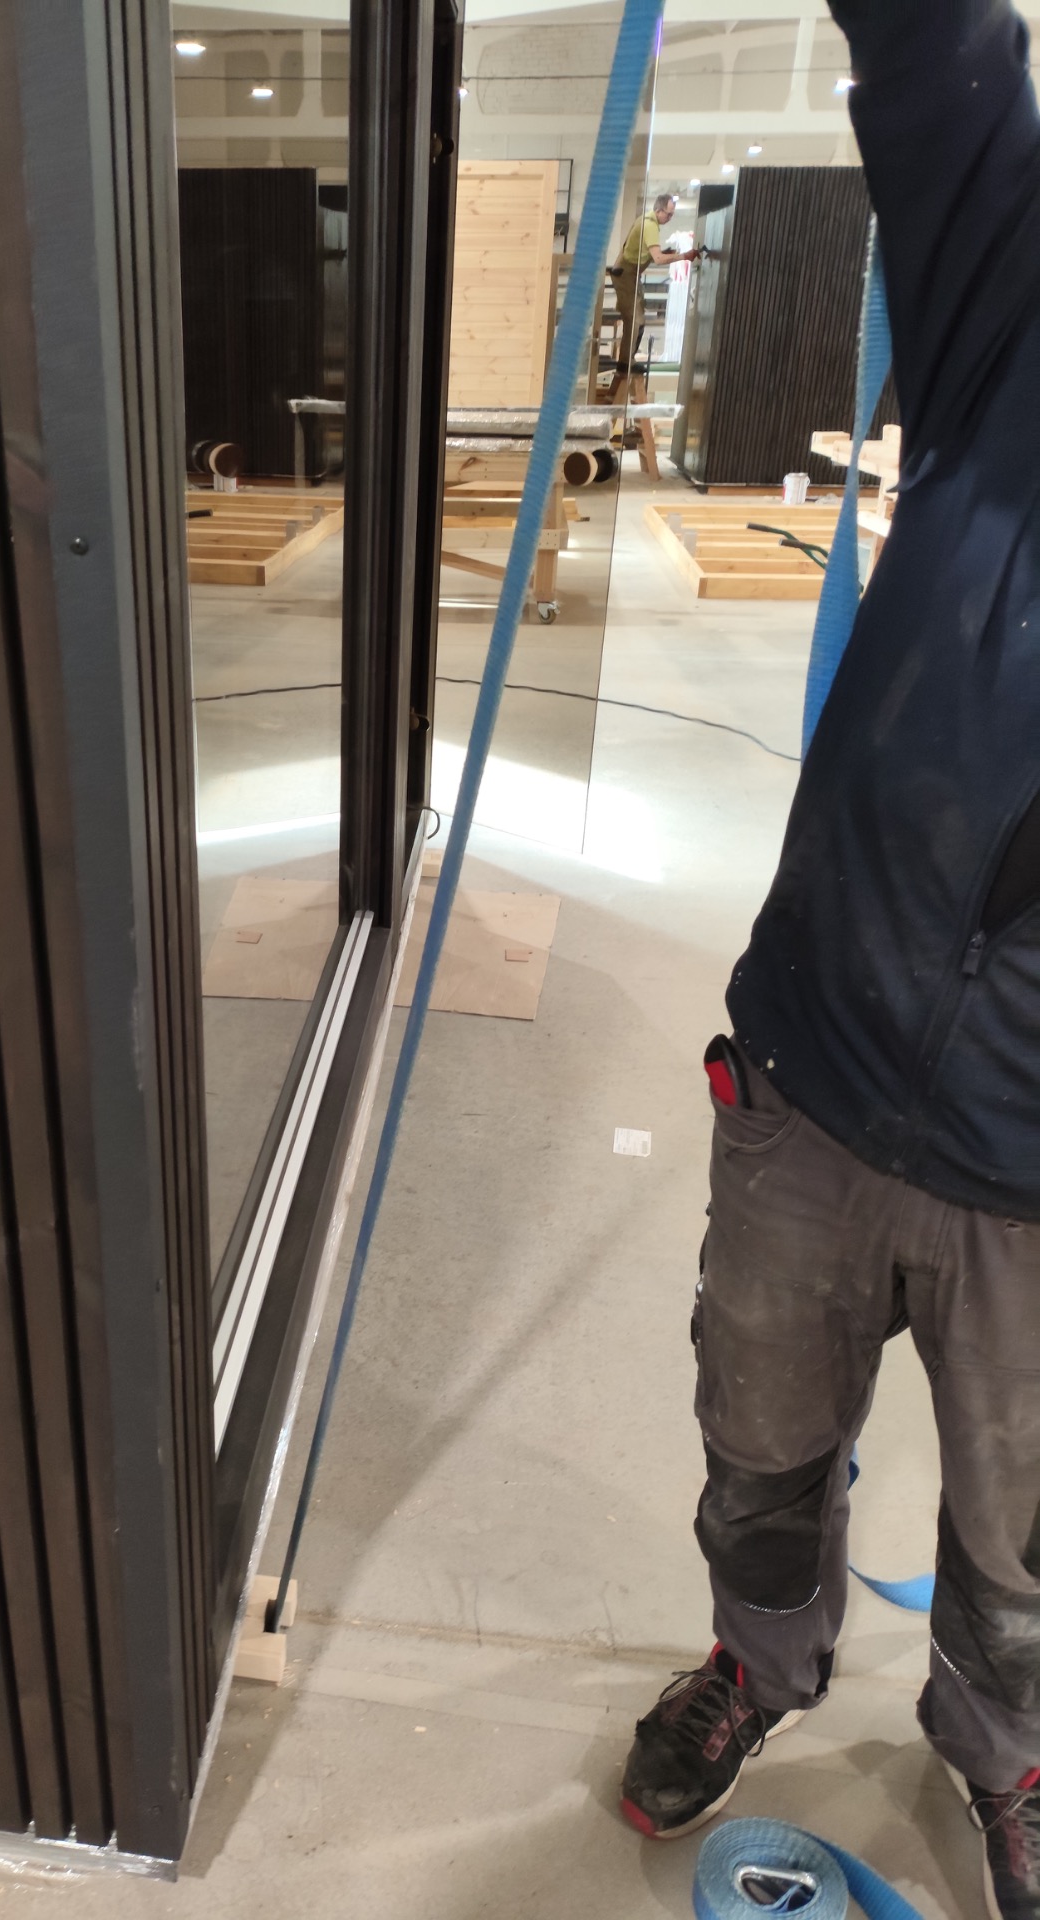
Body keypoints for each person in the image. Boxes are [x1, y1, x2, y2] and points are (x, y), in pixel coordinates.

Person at [619, 2, 1040, 1914]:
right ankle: (755, 1665)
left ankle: (1009, 1755)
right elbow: (940, 55)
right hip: (817, 1069)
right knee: (762, 1450)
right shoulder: (1011, 340)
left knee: (1025, 1543)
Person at [605, 192, 694, 397]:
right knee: (635, 321)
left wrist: (668, 253)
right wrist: (684, 256)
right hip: (626, 275)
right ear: (659, 210)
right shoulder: (650, 225)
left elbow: (649, 255)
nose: (669, 218)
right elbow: (658, 259)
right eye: (668, 214)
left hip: (630, 274)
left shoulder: (646, 221)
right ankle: (625, 363)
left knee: (639, 320)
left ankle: (627, 360)